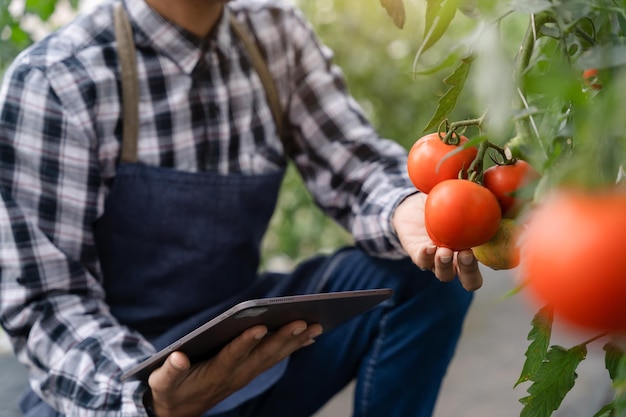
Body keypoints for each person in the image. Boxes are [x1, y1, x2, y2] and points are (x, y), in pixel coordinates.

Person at [0, 0, 483, 416]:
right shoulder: (60, 79)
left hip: (248, 349)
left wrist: (409, 210)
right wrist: (147, 400)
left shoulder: (274, 32)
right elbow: (46, 301)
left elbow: (352, 164)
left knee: (425, 276)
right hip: (124, 383)